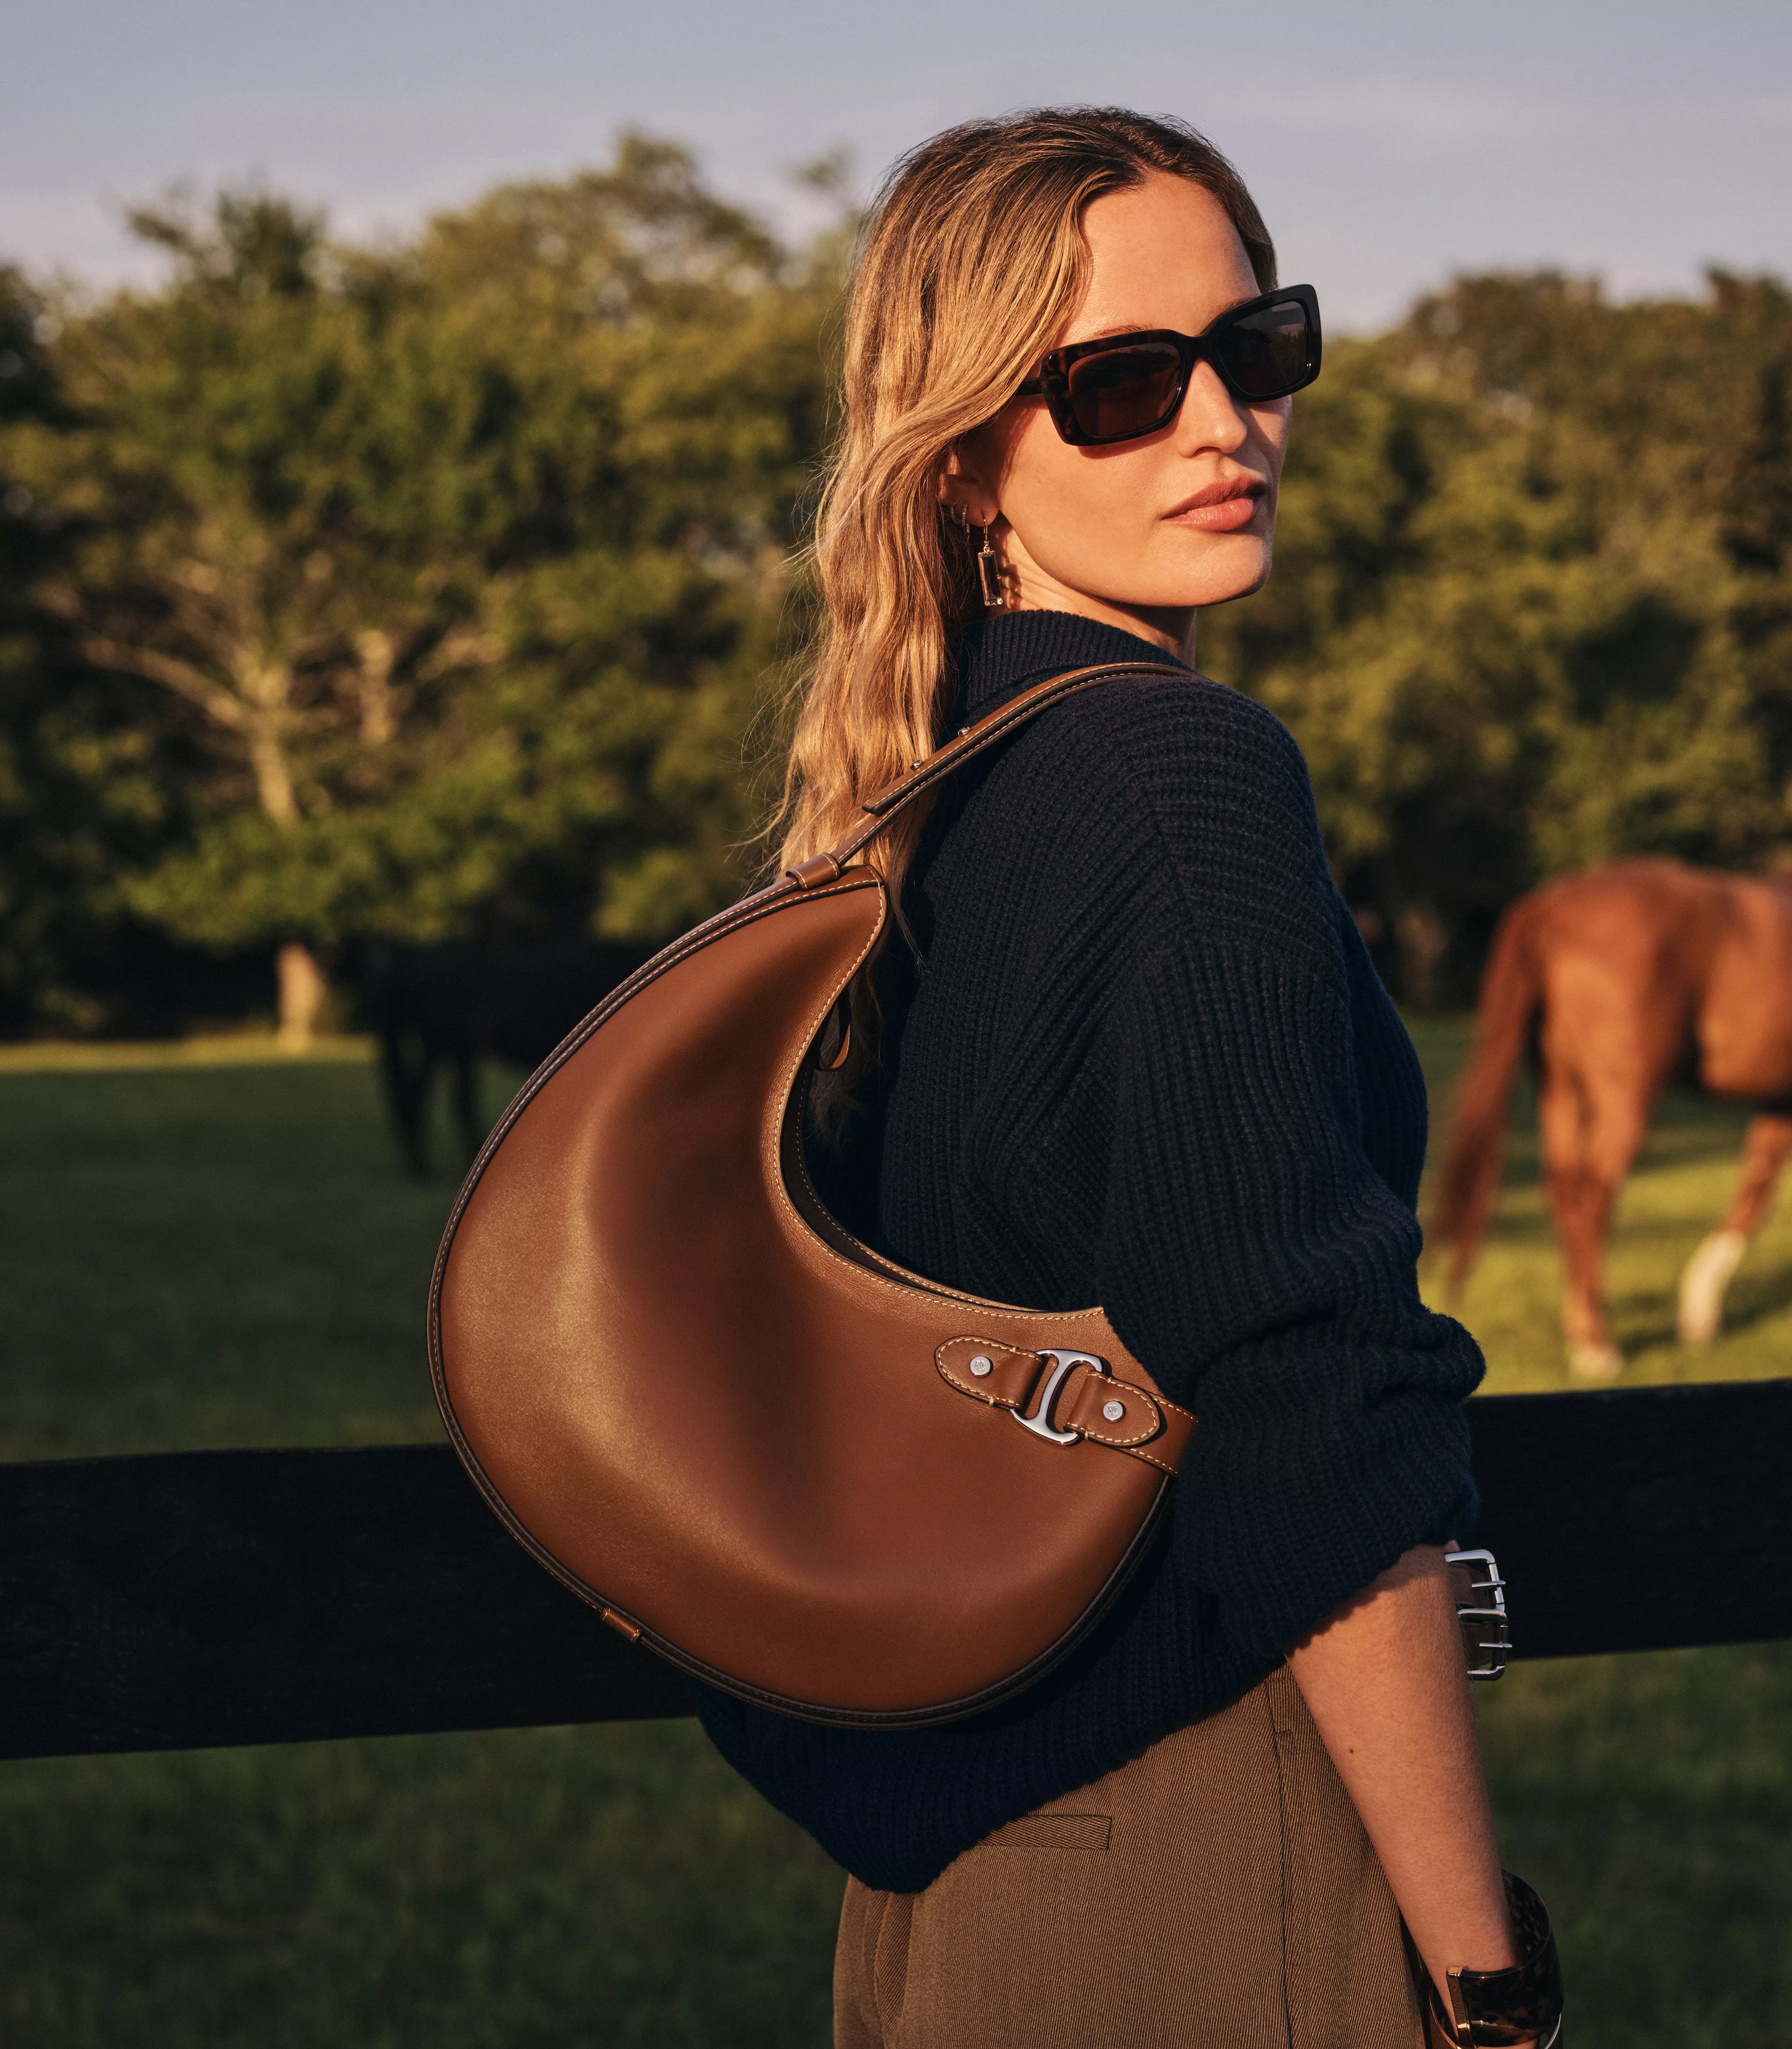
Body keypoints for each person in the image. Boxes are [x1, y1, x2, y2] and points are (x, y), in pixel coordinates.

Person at [699, 107, 1549, 2047]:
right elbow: (1307, 1418)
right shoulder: (1178, 779)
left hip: (960, 1873)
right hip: (1198, 1834)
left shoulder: (946, 790)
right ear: (971, 449)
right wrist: (1484, 1976)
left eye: (1258, 351)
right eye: (1120, 385)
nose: (1222, 423)